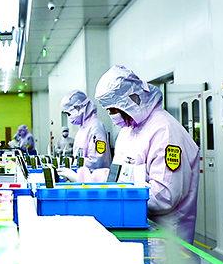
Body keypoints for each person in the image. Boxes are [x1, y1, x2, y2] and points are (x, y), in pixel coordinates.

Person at [60, 65, 200, 243]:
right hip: (134, 224)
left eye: (113, 109)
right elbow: (116, 176)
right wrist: (84, 178)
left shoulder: (164, 131)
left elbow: (164, 196)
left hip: (166, 235)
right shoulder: (127, 131)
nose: (111, 116)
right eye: (108, 110)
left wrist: (114, 197)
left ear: (132, 100)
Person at [60, 90, 111, 169]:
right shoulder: (83, 128)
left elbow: (97, 161)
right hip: (83, 174)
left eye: (69, 114)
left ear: (78, 108)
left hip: (94, 175)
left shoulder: (96, 127)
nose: (69, 117)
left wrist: (75, 162)